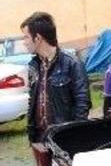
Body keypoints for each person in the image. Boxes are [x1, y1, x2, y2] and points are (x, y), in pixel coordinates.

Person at [20, 11, 91, 146]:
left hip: (64, 137)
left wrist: (73, 135)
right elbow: (33, 101)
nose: (24, 42)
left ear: (38, 38)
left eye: (26, 37)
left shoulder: (72, 63)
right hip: (40, 138)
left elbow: (82, 104)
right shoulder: (34, 65)